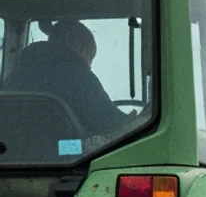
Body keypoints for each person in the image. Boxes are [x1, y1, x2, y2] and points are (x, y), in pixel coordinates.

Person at [4, 20, 132, 135]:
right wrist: (137, 121)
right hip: (65, 152)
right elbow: (111, 123)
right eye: (89, 58)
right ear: (82, 49)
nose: (89, 67)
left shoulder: (13, 77)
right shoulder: (78, 77)